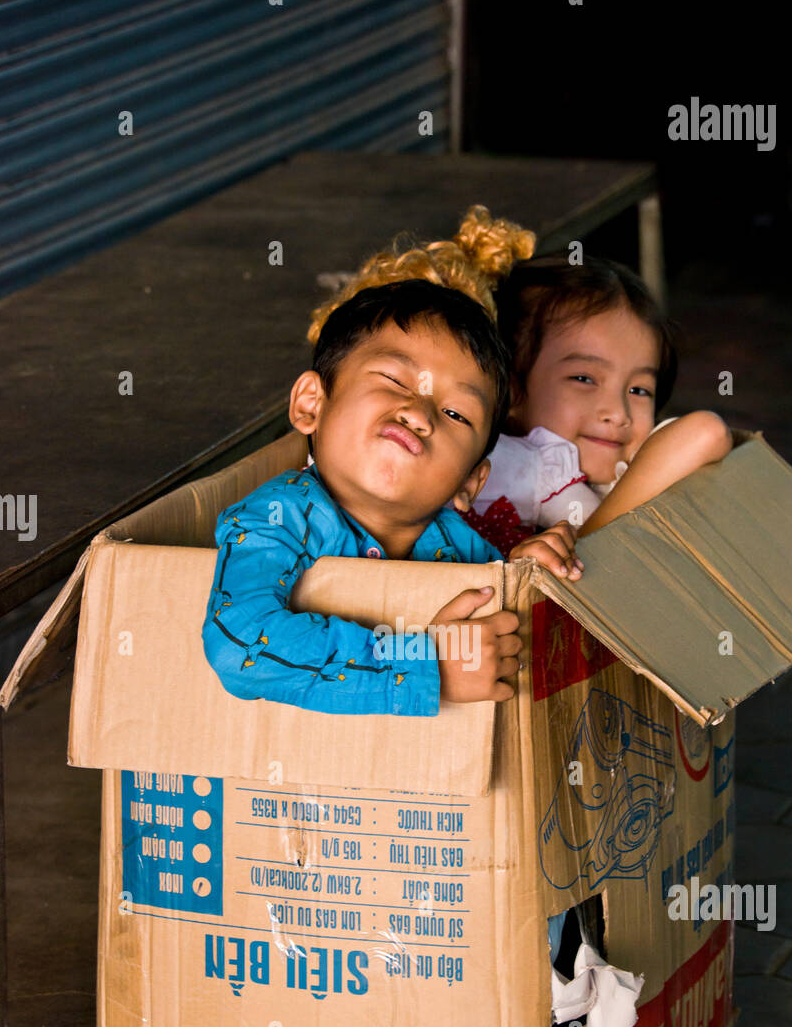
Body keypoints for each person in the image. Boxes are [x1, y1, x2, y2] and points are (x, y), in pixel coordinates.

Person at [202, 275, 582, 716]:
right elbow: (241, 644)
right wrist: (426, 665)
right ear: (312, 404)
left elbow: (510, 630)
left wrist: (524, 575)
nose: (418, 413)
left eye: (455, 413)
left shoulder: (465, 550)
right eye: (393, 379)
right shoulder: (277, 517)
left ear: (469, 484)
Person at [464, 250, 734, 554]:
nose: (618, 414)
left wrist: (586, 548)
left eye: (639, 390)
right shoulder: (467, 473)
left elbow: (707, 432)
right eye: (584, 379)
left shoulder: (637, 475)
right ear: (509, 390)